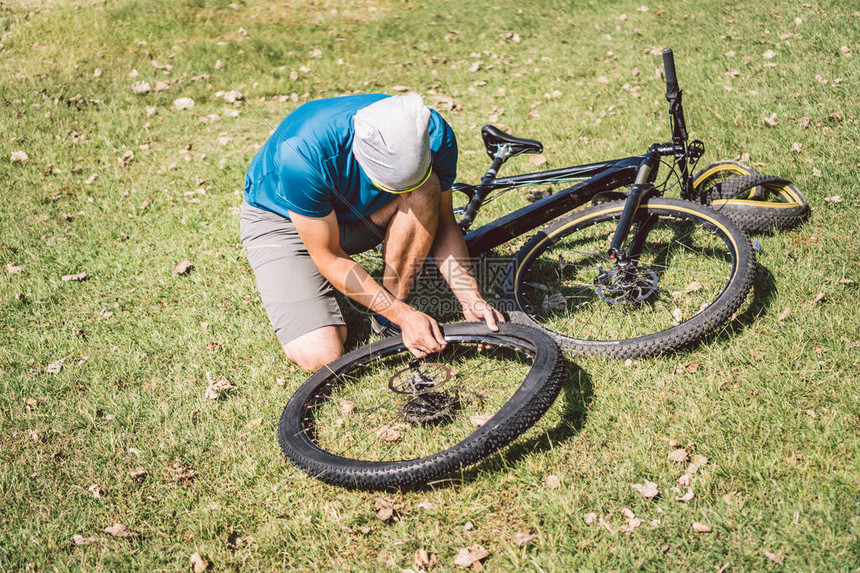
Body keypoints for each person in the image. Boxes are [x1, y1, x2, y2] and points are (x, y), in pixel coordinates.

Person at [240, 93, 504, 371]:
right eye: (393, 189)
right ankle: (361, 300)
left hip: (356, 212)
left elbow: (444, 223)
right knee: (320, 355)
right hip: (280, 221)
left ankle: (388, 314)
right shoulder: (301, 155)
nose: (402, 195)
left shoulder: (433, 132)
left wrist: (470, 298)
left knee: (427, 190)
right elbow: (329, 257)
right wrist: (407, 317)